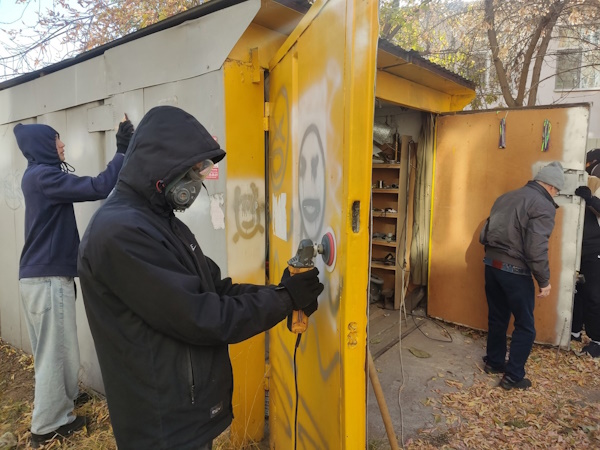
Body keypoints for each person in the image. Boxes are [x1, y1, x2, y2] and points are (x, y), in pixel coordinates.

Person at [77, 105, 323, 450]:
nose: (197, 181)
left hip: (179, 412)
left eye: (201, 170)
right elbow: (203, 316)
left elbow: (216, 289)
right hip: (162, 425)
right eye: (192, 171)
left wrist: (282, 292)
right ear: (161, 164)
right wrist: (285, 299)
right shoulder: (121, 233)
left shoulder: (159, 222)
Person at [14, 117, 134, 448]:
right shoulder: (44, 177)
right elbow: (98, 187)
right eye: (57, 140)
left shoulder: (36, 175)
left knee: (56, 349)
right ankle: (48, 425)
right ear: (43, 146)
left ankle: (61, 402)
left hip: (39, 278)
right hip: (47, 280)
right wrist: (122, 148)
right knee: (56, 352)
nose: (62, 144)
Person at [479, 161, 565, 390]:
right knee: (525, 326)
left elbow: (486, 233)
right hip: (514, 271)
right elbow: (536, 248)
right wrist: (544, 281)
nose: (555, 195)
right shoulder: (543, 205)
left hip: (491, 265)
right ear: (551, 186)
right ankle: (513, 376)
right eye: (556, 191)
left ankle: (494, 362)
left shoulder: (506, 197)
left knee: (498, 317)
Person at [571, 152, 600, 357]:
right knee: (578, 292)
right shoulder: (589, 180)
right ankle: (574, 331)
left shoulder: (595, 184)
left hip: (595, 251)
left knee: (593, 296)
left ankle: (597, 340)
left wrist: (591, 200)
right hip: (581, 248)